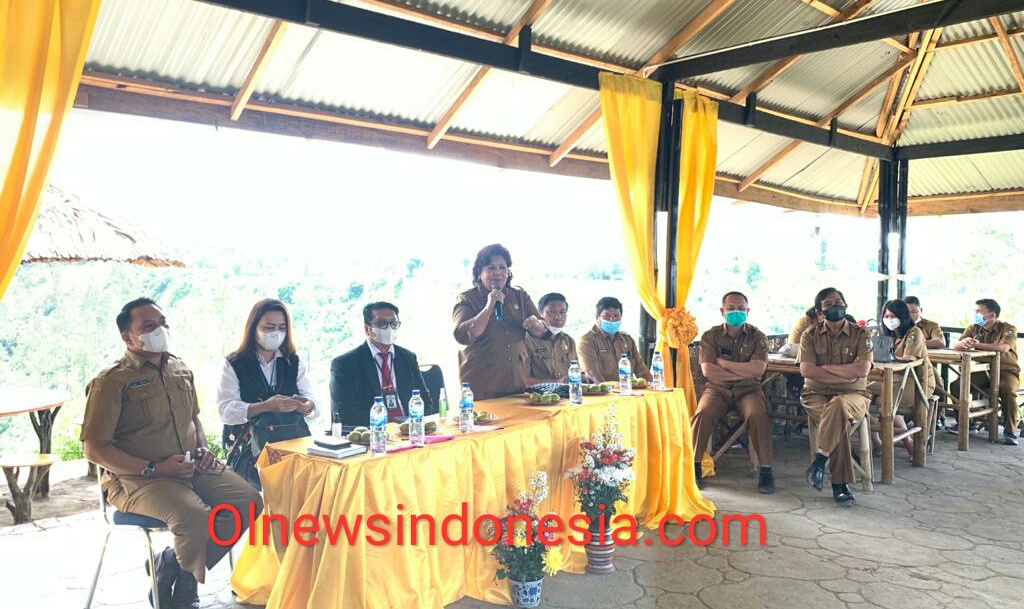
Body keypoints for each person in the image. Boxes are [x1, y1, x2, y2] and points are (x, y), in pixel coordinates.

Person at [81, 298, 262, 608]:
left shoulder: (180, 367)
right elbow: (94, 448)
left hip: (193, 464)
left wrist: (203, 449)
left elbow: (194, 419)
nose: (160, 330)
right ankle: (183, 595)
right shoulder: (111, 380)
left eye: (162, 322)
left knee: (248, 502)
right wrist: (155, 468)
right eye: (148, 326)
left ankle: (172, 563)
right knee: (193, 516)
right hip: (138, 478)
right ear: (129, 337)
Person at [217, 299, 317, 489]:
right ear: (254, 328)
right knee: (254, 501)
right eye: (269, 327)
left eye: (281, 328)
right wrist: (266, 406)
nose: (276, 333)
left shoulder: (292, 361)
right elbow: (226, 411)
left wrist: (306, 405)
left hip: (289, 442)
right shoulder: (234, 363)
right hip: (249, 447)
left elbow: (312, 401)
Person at [691, 291, 775, 494]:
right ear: (722, 311)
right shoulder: (710, 336)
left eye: (740, 308)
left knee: (758, 415)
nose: (736, 312)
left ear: (748, 311)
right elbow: (708, 371)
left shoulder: (758, 337)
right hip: (717, 389)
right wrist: (742, 370)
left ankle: (766, 471)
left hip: (749, 390)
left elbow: (758, 370)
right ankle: (693, 468)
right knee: (702, 414)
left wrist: (724, 364)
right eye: (731, 308)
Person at [798, 287, 873, 507]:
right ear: (820, 312)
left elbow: (861, 371)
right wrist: (844, 372)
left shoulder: (861, 334)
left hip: (854, 395)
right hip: (815, 395)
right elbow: (808, 372)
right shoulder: (809, 335)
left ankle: (820, 462)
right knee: (836, 415)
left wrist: (826, 369)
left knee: (838, 406)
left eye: (839, 302)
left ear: (846, 305)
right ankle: (840, 486)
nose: (835, 306)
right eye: (829, 304)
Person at [452, 244, 550, 399]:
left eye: (502, 268)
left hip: (517, 384)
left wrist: (536, 325)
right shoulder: (467, 299)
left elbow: (545, 330)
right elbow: (463, 335)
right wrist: (489, 305)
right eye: (491, 268)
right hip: (482, 387)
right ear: (479, 272)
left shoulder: (520, 296)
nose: (498, 273)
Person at [332, 302, 432, 425]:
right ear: (367, 329)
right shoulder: (345, 364)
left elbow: (425, 400)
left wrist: (413, 424)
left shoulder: (407, 357)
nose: (389, 329)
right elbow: (344, 412)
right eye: (382, 323)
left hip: (408, 429)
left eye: (393, 324)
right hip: (372, 432)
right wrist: (382, 427)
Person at [869, 300, 935, 457]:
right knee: (860, 396)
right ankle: (876, 441)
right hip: (891, 380)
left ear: (903, 316)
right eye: (886, 316)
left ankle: (908, 441)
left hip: (916, 382)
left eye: (893, 316)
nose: (889, 319)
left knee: (883, 400)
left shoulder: (914, 333)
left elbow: (908, 359)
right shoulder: (885, 335)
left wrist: (887, 357)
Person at [950, 299, 1020, 445]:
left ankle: (1010, 431)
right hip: (983, 371)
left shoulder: (1008, 329)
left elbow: (1003, 348)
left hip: (1006, 371)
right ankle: (966, 424)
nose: (975, 315)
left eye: (979, 312)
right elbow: (956, 344)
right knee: (957, 385)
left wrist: (977, 344)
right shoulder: (973, 328)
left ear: (991, 314)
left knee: (1007, 389)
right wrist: (963, 344)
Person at [578, 297, 653, 383]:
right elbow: (592, 374)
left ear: (621, 316)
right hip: (603, 393)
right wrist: (610, 391)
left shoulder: (627, 340)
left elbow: (642, 371)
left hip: (628, 391)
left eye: (616, 315)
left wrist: (653, 387)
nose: (612, 320)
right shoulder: (587, 341)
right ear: (597, 317)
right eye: (607, 316)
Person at [524, 292, 590, 383]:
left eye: (562, 312)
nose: (558, 317)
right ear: (539, 313)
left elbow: (575, 372)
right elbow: (521, 380)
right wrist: (557, 382)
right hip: (538, 395)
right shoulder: (526, 341)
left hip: (567, 393)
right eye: (552, 311)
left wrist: (585, 378)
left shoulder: (569, 341)